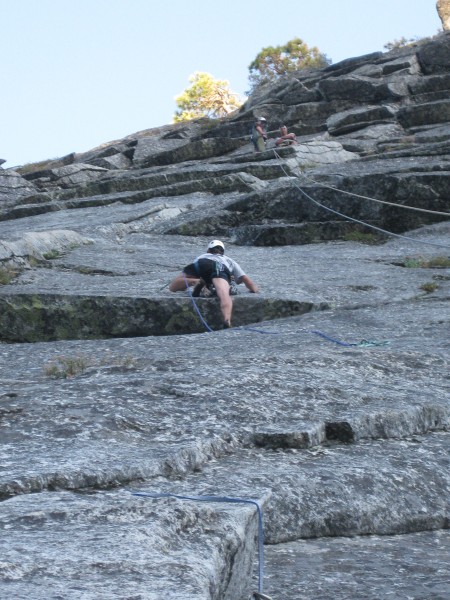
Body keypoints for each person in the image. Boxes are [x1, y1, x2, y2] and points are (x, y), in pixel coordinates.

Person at [169, 240, 259, 328]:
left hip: (200, 264)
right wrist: (254, 289)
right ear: (222, 252)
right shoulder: (228, 260)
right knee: (224, 294)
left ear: (208, 250)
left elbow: (190, 273)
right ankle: (227, 320)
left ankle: (196, 281)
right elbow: (247, 280)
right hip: (219, 267)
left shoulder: (201, 256)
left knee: (173, 286)